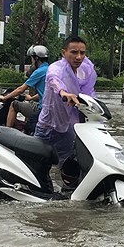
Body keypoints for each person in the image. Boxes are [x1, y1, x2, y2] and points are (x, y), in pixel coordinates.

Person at [34, 36, 97, 167]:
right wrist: (63, 92)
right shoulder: (56, 68)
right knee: (37, 165)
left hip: (68, 127)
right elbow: (53, 79)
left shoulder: (84, 71)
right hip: (48, 126)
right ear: (64, 53)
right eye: (74, 52)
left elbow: (89, 93)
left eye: (82, 53)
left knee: (68, 165)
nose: (79, 57)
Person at [0, 45, 49, 132]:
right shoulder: (50, 69)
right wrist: (31, 98)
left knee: (14, 105)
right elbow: (45, 92)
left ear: (36, 58)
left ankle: (7, 132)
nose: (31, 61)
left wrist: (5, 97)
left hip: (42, 109)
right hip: (49, 108)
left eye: (31, 58)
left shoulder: (39, 71)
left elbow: (21, 89)